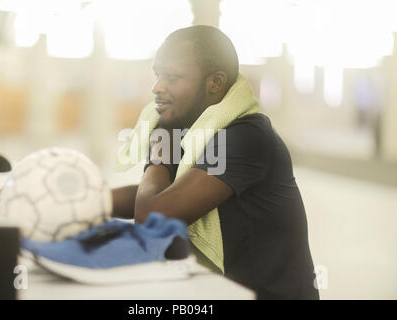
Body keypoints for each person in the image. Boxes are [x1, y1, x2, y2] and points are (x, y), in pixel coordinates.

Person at [111, 25, 319, 300]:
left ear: (215, 84)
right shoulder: (193, 129)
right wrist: (85, 200)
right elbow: (162, 193)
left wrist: (161, 148)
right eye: (157, 74)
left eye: (172, 77)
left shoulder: (245, 136)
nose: (156, 87)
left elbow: (150, 217)